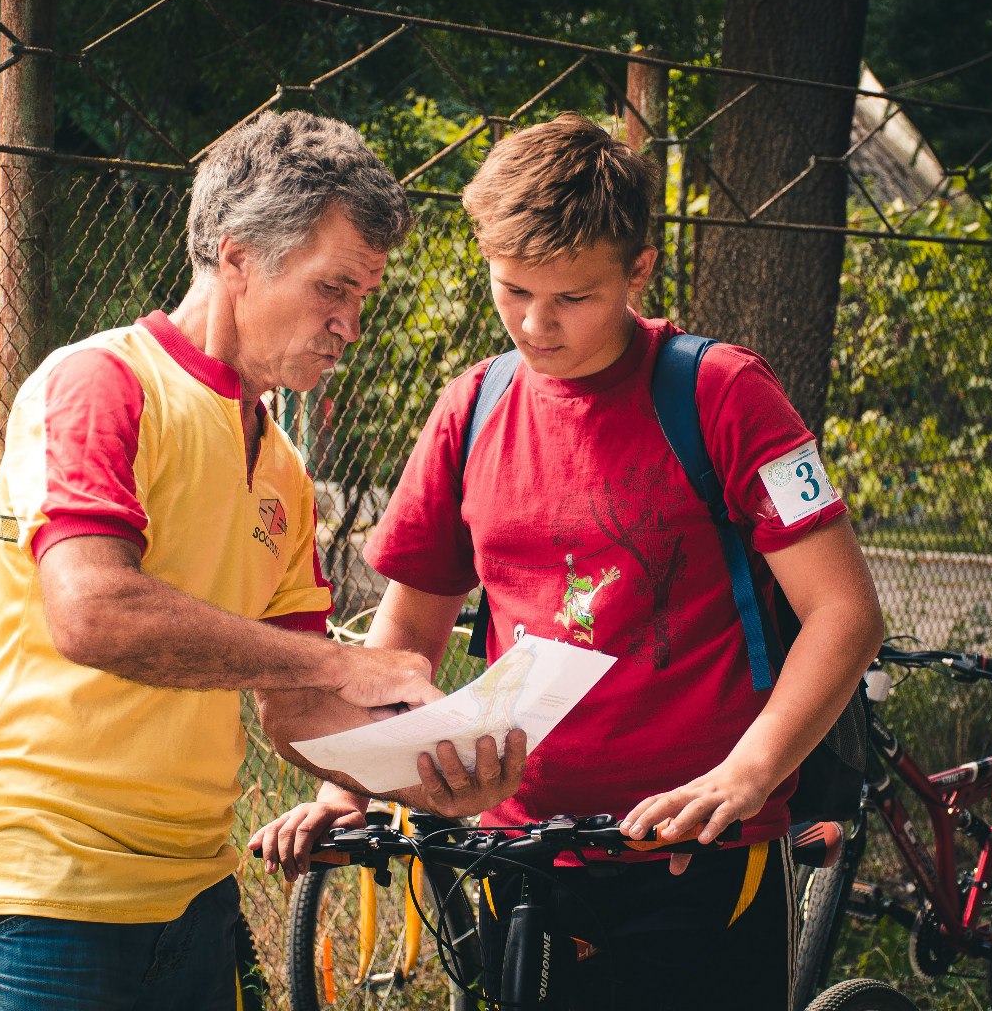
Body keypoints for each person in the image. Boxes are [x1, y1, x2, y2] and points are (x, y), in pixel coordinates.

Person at [251, 113, 883, 1010]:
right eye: (511, 291)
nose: (534, 325)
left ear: (637, 272)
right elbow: (407, 631)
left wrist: (745, 777)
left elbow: (844, 614)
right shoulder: (471, 407)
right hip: (518, 854)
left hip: (701, 851)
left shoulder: (726, 394)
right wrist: (350, 782)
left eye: (572, 298)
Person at [0, 110, 523, 1011]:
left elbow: (297, 713)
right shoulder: (100, 383)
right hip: (42, 893)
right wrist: (343, 661)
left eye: (361, 300)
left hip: (195, 896)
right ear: (237, 257)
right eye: (332, 290)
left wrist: (426, 777)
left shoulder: (281, 464)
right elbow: (93, 611)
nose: (348, 325)